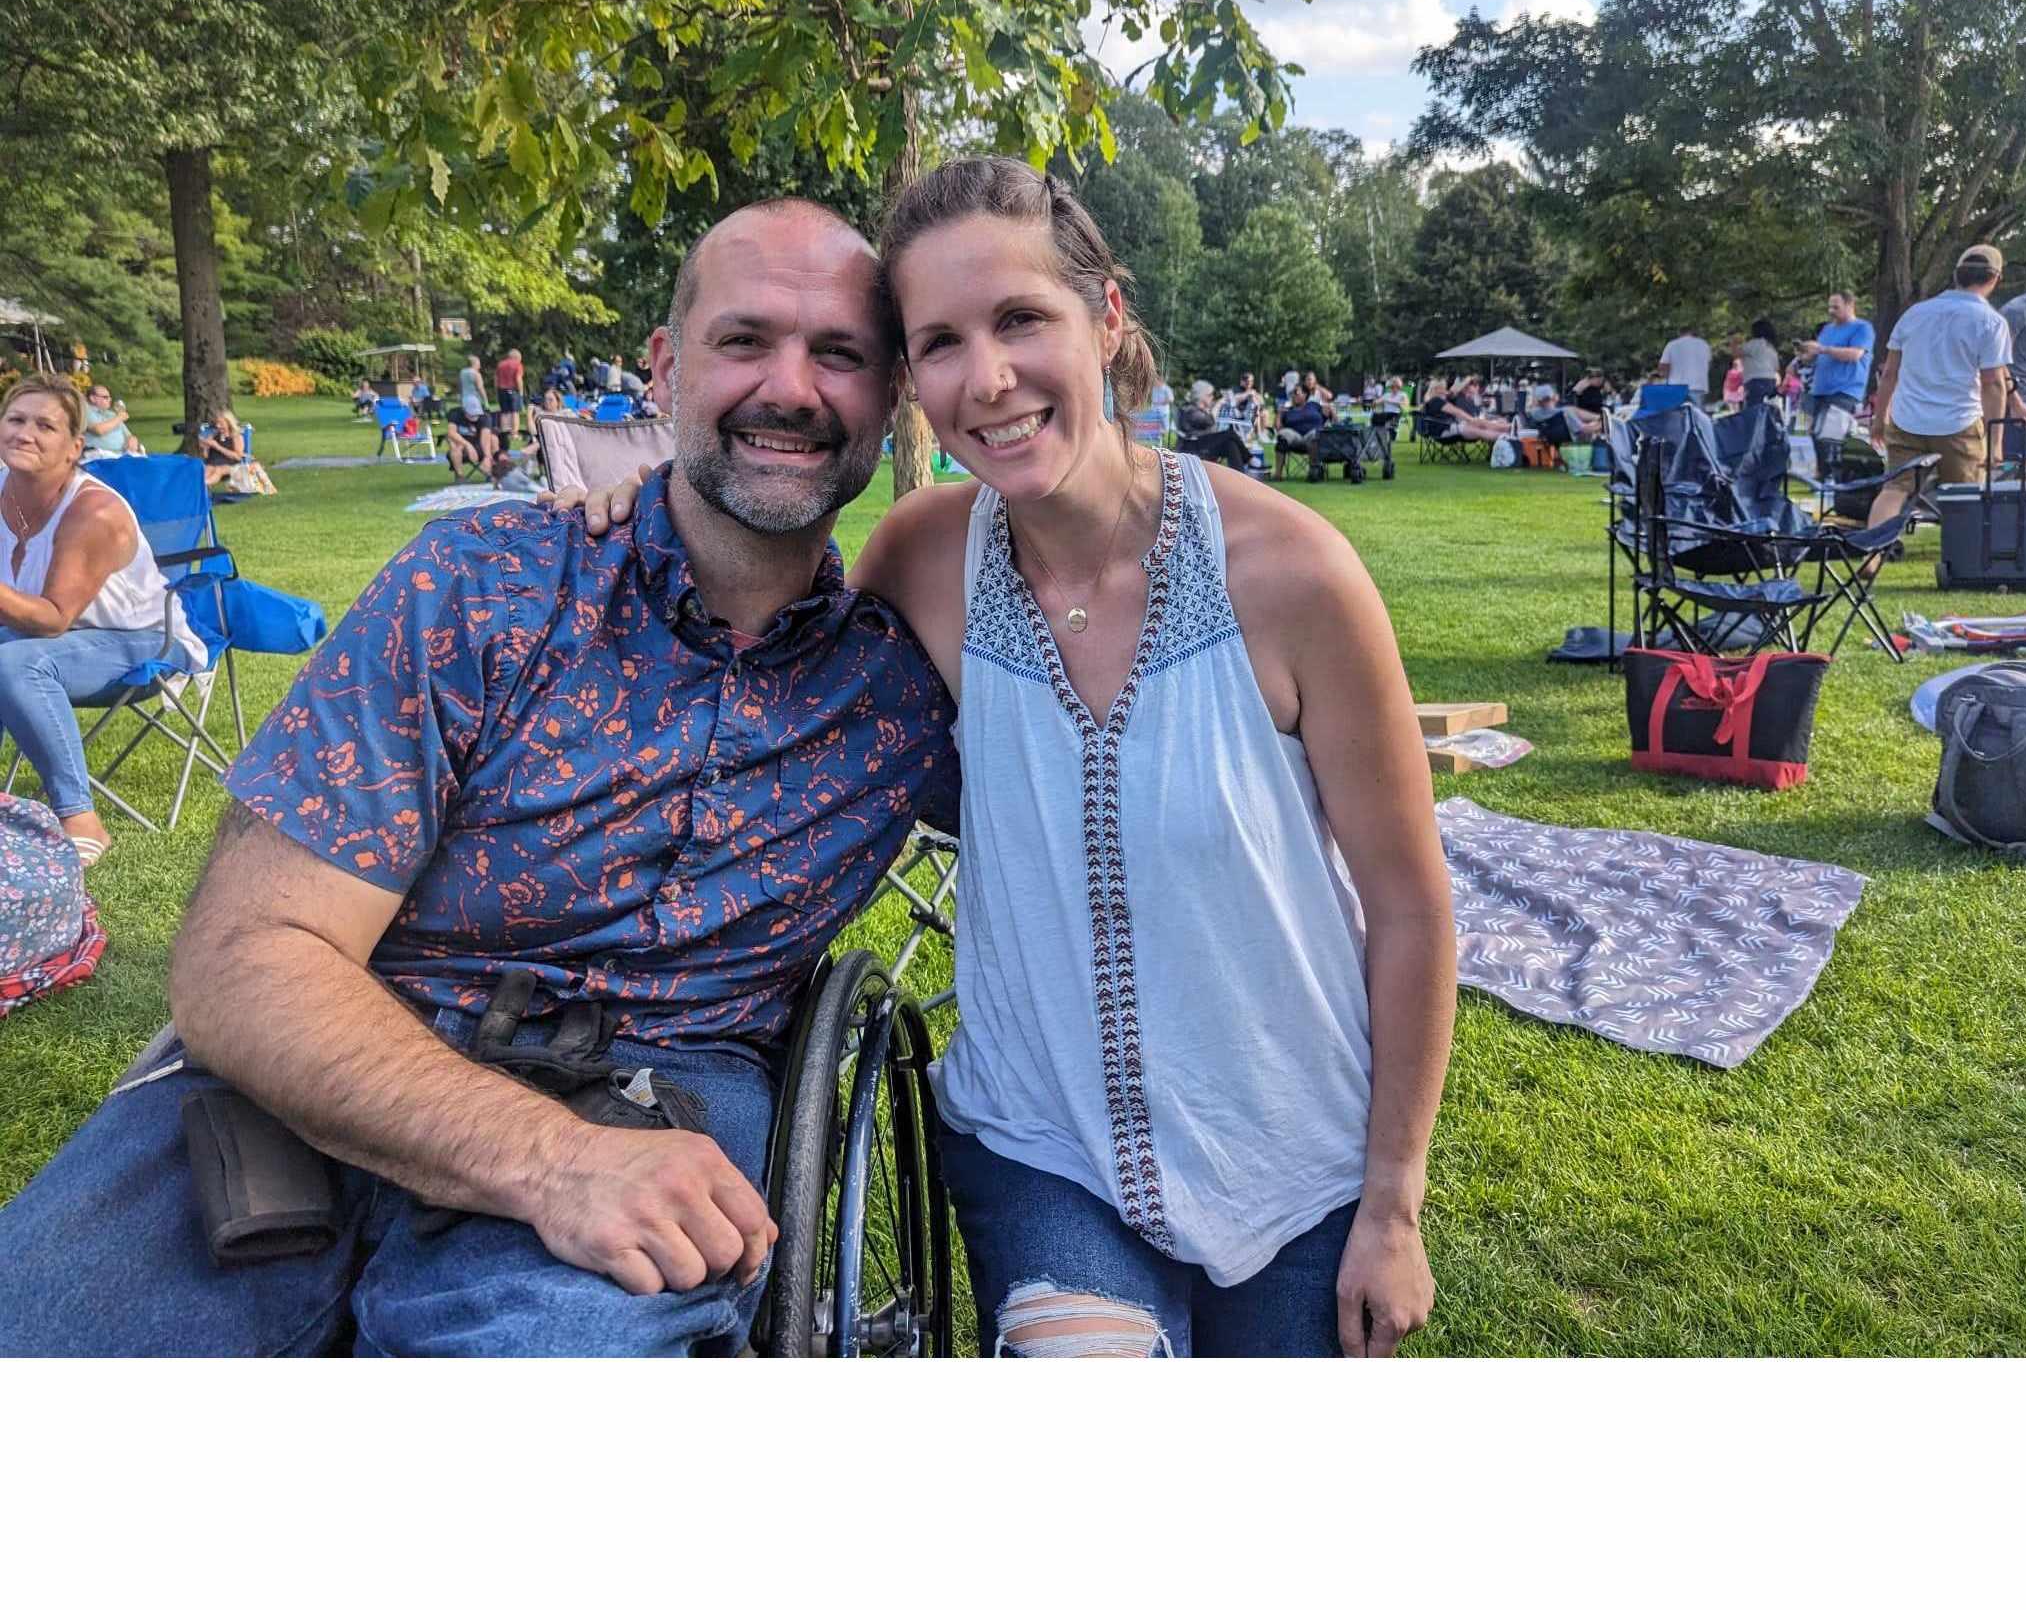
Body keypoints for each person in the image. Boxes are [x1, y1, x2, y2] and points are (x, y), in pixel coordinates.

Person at [0, 200, 957, 1357]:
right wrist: (551, 1160)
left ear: (892, 394)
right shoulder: (483, 585)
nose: (791, 388)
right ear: (664, 368)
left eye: (841, 354)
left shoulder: (904, 691)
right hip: (325, 1061)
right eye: (744, 341)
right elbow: (246, 956)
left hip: (659, 1098)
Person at [575, 161, 1455, 1357]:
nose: (986, 378)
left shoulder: (1293, 574)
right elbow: (770, 646)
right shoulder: (925, 557)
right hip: (1041, 1144)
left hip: (1289, 1155)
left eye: (1021, 320)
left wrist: (1392, 1201)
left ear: (1106, 318)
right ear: (909, 384)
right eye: (938, 342)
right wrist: (661, 492)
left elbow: (1409, 907)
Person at [0, 376, 209, 870]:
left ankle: (80, 819)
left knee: (14, 664)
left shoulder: (92, 511)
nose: (25, 433)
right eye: (15, 420)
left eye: (44, 425)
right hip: (42, 638)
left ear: (75, 448)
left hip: (141, 640)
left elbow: (52, 619)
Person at [1866, 245, 2017, 526]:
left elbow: (1889, 374)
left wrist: (1879, 420)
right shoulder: (1991, 322)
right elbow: (1994, 384)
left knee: (1894, 489)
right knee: (1964, 497)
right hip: (1958, 424)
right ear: (1995, 278)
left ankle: (1870, 556)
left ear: (1956, 275)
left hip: (1907, 419)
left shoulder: (1915, 313)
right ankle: (1963, 561)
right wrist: (1995, 442)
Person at [1796, 289, 1875, 472]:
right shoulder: (1828, 329)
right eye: (1829, 307)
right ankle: (1824, 476)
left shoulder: (1862, 328)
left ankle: (1836, 477)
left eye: (1836, 307)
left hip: (1845, 390)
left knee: (1830, 436)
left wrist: (1823, 349)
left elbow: (1855, 354)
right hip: (1820, 390)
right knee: (1814, 433)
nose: (1831, 311)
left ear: (1850, 305)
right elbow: (1819, 354)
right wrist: (1806, 355)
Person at [1996, 267, 2026, 474]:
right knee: (2013, 472)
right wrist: (2015, 402)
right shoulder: (2016, 311)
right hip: (2022, 403)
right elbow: (1995, 360)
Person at [199, 408, 277, 497]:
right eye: (217, 423)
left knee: (218, 470)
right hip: (212, 463)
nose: (218, 426)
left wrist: (217, 446)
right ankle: (198, 490)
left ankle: (202, 485)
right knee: (205, 470)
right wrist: (206, 448)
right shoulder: (213, 435)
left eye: (221, 423)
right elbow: (205, 456)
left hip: (228, 464)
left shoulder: (236, 436)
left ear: (228, 423)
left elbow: (237, 457)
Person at [79, 386, 133, 462]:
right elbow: (99, 430)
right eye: (105, 397)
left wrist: (132, 441)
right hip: (100, 455)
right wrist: (119, 418)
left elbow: (129, 435)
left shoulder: (111, 414)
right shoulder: (87, 411)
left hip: (121, 454)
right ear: (93, 398)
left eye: (110, 397)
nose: (110, 400)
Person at [1658, 326, 1712, 401]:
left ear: (1680, 333)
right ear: (1693, 333)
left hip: (1676, 386)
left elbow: (1663, 367)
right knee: (1695, 411)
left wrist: (1666, 377)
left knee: (1678, 411)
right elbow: (1708, 364)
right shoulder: (1704, 344)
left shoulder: (1672, 345)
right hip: (1699, 386)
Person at [1739, 320, 1782, 409]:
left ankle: (1753, 422)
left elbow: (1738, 353)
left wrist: (1734, 343)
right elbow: (1776, 367)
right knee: (1767, 408)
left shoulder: (1755, 343)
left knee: (1753, 407)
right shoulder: (1771, 346)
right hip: (1770, 380)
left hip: (1755, 380)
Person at [494, 347, 526, 440]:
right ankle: (514, 433)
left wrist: (497, 389)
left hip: (501, 389)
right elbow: (518, 379)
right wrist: (520, 392)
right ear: (517, 357)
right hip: (513, 390)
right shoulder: (517, 365)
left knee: (504, 412)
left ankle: (504, 433)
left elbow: (496, 378)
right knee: (515, 412)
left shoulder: (500, 364)